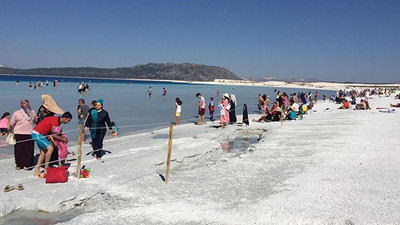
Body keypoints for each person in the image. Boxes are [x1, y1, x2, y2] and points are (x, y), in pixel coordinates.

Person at [32, 112, 72, 177]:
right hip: (37, 134)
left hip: (38, 133)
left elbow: (51, 131)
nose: (68, 122)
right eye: (68, 120)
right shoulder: (55, 121)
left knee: (43, 152)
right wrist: (64, 140)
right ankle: (46, 167)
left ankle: (37, 170)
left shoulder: (57, 121)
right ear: (64, 118)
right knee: (50, 148)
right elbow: (55, 135)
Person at [9, 100, 38, 170]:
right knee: (28, 150)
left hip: (18, 133)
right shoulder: (32, 112)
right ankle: (27, 164)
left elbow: (11, 123)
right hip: (29, 133)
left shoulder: (17, 113)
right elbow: (36, 121)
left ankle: (19, 165)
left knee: (19, 150)